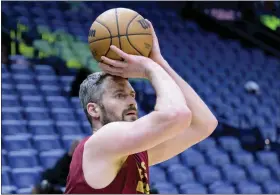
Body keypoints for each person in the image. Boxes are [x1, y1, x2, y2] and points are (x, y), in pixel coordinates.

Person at [65, 20, 218, 194]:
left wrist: (159, 62)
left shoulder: (129, 156)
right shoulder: (101, 142)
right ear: (94, 110)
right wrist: (150, 67)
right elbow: (178, 114)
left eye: (132, 95)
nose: (131, 101)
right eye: (120, 95)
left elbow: (205, 123)